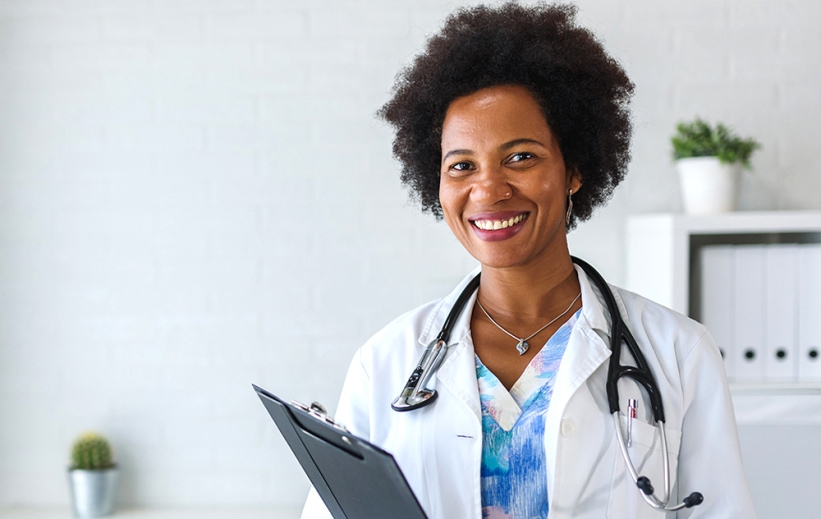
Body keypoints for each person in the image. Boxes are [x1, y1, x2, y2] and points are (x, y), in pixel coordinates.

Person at [302, 3, 755, 518]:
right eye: (462, 165)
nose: (488, 189)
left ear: (574, 170)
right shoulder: (386, 363)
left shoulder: (680, 355)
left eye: (521, 156)